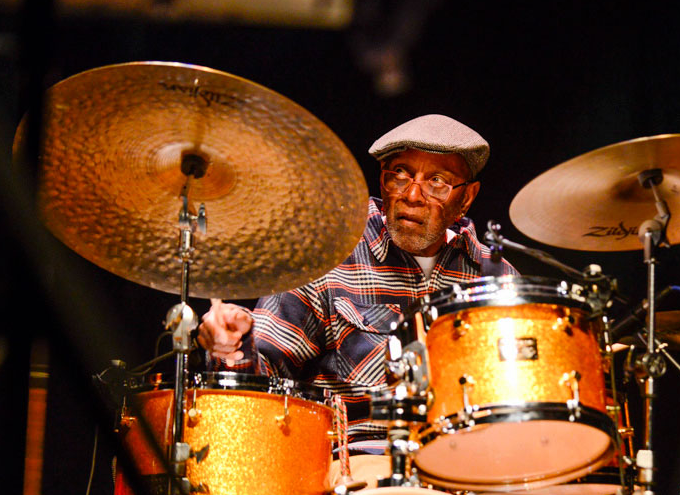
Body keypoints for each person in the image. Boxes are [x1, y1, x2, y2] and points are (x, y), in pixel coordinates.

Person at [197, 114, 516, 419]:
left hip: (473, 464)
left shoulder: (497, 276)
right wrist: (234, 347)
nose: (413, 195)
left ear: (467, 198)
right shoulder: (329, 252)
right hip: (359, 462)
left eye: (437, 181)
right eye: (400, 174)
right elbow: (264, 374)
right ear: (382, 179)